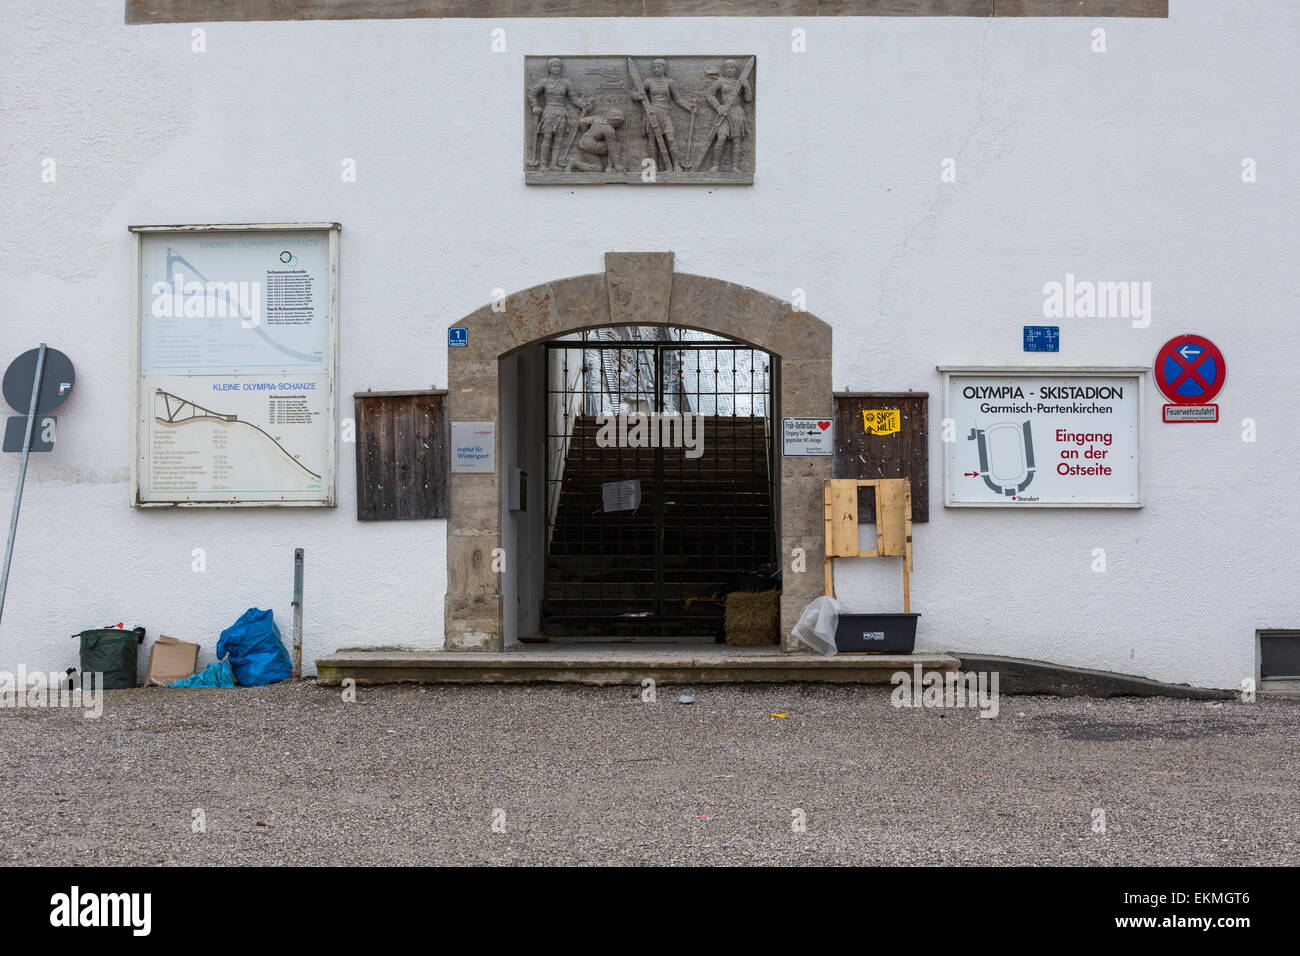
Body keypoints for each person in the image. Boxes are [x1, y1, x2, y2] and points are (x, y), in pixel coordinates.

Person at [631, 59, 695, 173]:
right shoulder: (649, 82)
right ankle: (652, 167)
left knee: (671, 139)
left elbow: (678, 99)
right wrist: (637, 96)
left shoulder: (670, 82)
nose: (656, 69)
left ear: (664, 68)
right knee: (652, 140)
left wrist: (690, 107)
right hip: (652, 113)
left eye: (659, 67)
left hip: (665, 113)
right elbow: (634, 92)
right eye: (654, 67)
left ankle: (676, 165)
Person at [528, 58, 585, 170]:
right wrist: (534, 106)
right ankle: (543, 165)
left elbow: (573, 97)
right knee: (547, 137)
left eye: (559, 66)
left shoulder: (566, 82)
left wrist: (582, 104)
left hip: (561, 112)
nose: (557, 68)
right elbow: (532, 93)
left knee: (558, 139)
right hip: (549, 111)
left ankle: (553, 165)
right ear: (550, 68)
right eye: (554, 66)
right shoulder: (545, 82)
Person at [702, 58, 750, 174]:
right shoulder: (721, 81)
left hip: (737, 113)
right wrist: (718, 106)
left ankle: (735, 167)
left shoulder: (740, 82)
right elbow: (709, 94)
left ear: (736, 69)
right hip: (724, 113)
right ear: (724, 69)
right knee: (721, 138)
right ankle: (715, 166)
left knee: (736, 141)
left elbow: (748, 99)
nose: (729, 69)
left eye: (732, 67)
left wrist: (747, 87)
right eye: (727, 67)